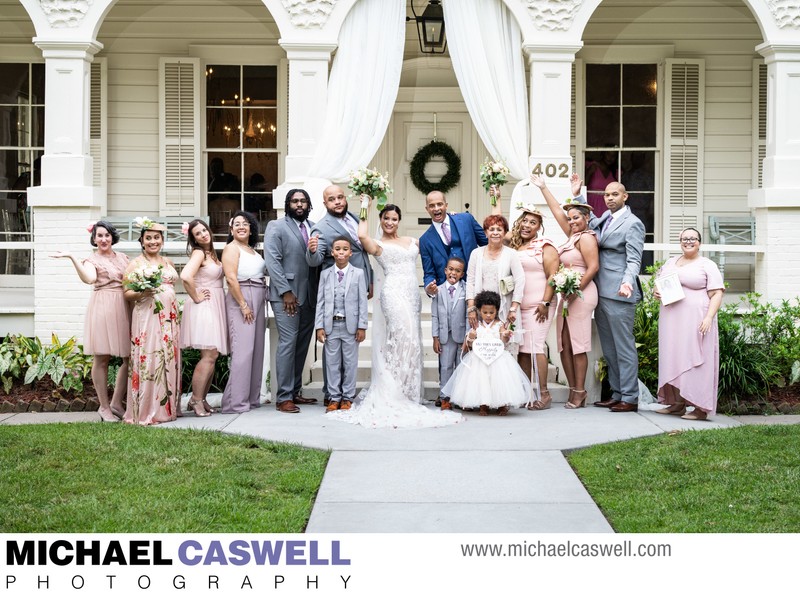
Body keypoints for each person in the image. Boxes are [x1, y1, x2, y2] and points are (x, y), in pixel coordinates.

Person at [329, 199, 462, 428]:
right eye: (386, 218)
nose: (390, 222)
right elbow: (361, 236)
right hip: (393, 295)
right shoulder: (378, 245)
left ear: (399, 221)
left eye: (394, 219)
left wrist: (451, 220)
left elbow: (437, 240)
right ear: (381, 221)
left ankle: (406, 391)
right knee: (403, 338)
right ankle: (393, 392)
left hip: (412, 296)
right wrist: (364, 207)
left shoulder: (412, 241)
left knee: (412, 344)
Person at [572, 175, 646, 413]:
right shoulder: (605, 217)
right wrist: (577, 195)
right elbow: (591, 221)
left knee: (624, 346)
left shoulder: (633, 223)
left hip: (619, 292)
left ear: (625, 196)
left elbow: (634, 259)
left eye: (615, 194)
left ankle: (630, 397)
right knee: (609, 347)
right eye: (606, 194)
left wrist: (628, 282)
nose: (610, 198)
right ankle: (616, 393)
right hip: (601, 291)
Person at [532, 176, 600, 409]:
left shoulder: (587, 238)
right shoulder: (572, 235)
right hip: (568, 296)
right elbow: (556, 211)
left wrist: (575, 290)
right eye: (570, 218)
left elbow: (593, 268)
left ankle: (580, 392)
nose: (571, 222)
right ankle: (573, 389)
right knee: (563, 344)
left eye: (576, 218)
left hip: (582, 294)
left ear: (587, 218)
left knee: (578, 344)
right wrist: (543, 188)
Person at [52, 221, 130, 422]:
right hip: (103, 306)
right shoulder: (91, 260)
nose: (103, 239)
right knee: (102, 357)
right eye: (99, 236)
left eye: (107, 235)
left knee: (129, 358)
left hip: (123, 306)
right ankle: (103, 407)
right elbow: (88, 278)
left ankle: (116, 403)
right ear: (94, 239)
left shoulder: (123, 258)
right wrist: (72, 257)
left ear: (112, 237)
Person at [306, 185, 373, 405]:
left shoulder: (354, 217)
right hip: (335, 291)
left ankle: (346, 394)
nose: (338, 202)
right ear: (325, 203)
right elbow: (315, 261)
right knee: (332, 354)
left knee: (350, 353)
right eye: (332, 199)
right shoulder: (321, 227)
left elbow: (361, 249)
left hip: (357, 281)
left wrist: (369, 279)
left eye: (340, 197)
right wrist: (313, 249)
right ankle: (331, 394)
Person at [654, 228, 724, 421]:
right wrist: (656, 291)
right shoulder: (670, 262)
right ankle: (676, 404)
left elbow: (717, 293)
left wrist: (709, 317)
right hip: (671, 320)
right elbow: (659, 282)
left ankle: (701, 408)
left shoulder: (707, 264)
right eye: (685, 239)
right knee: (673, 356)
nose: (688, 241)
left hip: (696, 320)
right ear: (680, 242)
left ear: (699, 242)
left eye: (693, 238)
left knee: (696, 360)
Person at [264, 189, 320, 414]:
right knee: (288, 344)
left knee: (301, 346)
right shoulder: (276, 227)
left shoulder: (313, 226)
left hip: (310, 295)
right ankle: (284, 397)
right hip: (286, 296)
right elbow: (273, 260)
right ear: (288, 204)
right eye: (295, 201)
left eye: (303, 201)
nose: (299, 205)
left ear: (308, 204)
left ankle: (296, 391)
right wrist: (285, 291)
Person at [123, 219, 180, 425]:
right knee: (151, 358)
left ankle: (168, 409)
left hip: (169, 319)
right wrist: (142, 291)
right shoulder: (136, 264)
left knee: (167, 358)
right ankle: (148, 410)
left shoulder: (168, 263)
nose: (153, 241)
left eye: (156, 237)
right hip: (147, 318)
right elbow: (127, 293)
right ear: (142, 241)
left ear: (162, 241)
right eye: (148, 238)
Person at [442, 290, 532, 416]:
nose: (488, 315)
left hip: (497, 358)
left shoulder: (499, 324)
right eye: (485, 312)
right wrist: (471, 337)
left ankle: (502, 405)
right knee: (481, 381)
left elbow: (503, 341)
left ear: (496, 311)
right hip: (480, 358)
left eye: (491, 312)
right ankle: (483, 405)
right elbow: (468, 345)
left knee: (500, 381)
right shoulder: (477, 326)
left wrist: (506, 335)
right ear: (479, 311)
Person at [508, 205, 559, 410]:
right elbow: (495, 227)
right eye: (525, 221)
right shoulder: (515, 246)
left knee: (536, 347)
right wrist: (496, 196)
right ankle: (526, 392)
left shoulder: (545, 246)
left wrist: (546, 302)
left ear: (539, 227)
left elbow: (553, 276)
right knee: (522, 349)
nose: (527, 225)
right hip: (519, 306)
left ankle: (544, 394)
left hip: (540, 306)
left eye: (533, 222)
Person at [180, 218, 228, 417]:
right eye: (197, 234)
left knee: (212, 355)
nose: (203, 235)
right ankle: (195, 400)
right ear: (193, 239)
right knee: (209, 355)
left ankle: (202, 398)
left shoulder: (212, 253)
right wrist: (196, 296)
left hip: (215, 304)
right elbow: (185, 276)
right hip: (205, 306)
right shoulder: (199, 253)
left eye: (204, 230)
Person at [221, 210, 267, 413]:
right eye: (237, 223)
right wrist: (243, 304)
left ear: (251, 229)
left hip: (258, 294)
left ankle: (251, 399)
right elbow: (231, 278)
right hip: (242, 296)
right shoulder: (231, 248)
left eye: (245, 223)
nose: (241, 226)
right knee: (243, 350)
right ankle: (234, 402)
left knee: (256, 350)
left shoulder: (252, 250)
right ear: (231, 229)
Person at [315, 237, 368, 412]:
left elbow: (362, 302)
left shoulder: (358, 273)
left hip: (350, 326)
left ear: (350, 253)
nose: (341, 252)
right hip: (331, 326)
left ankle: (347, 397)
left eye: (345, 249)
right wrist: (319, 326)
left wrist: (362, 326)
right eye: (337, 249)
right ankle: (334, 397)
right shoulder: (325, 274)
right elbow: (320, 302)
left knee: (350, 363)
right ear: (332, 252)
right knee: (332, 363)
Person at [465, 215, 525, 349]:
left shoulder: (511, 254)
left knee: (504, 345)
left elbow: (520, 280)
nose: (495, 232)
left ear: (505, 233)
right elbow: (470, 281)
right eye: (491, 229)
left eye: (499, 229)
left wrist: (513, 309)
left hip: (505, 306)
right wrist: (471, 309)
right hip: (482, 309)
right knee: (482, 346)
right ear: (486, 232)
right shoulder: (476, 253)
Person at [419, 190, 487, 297]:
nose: (436, 208)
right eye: (432, 206)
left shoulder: (466, 219)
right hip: (446, 294)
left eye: (440, 204)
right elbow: (429, 273)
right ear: (427, 209)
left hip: (475, 286)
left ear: (446, 205)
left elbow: (487, 244)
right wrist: (429, 287)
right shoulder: (424, 240)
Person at [431, 257, 467, 411]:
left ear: (462, 274)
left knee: (461, 367)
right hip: (445, 336)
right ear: (445, 270)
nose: (453, 273)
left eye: (457, 271)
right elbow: (434, 315)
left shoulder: (465, 291)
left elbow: (467, 315)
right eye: (451, 269)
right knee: (446, 366)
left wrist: (468, 336)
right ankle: (445, 396)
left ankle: (460, 396)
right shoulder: (438, 290)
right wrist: (435, 337)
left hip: (461, 335)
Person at [585, 150, 617, 216]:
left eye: (613, 156)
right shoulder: (593, 166)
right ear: (602, 154)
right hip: (592, 203)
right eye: (608, 154)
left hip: (607, 205)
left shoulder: (615, 172)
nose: (610, 158)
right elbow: (583, 184)